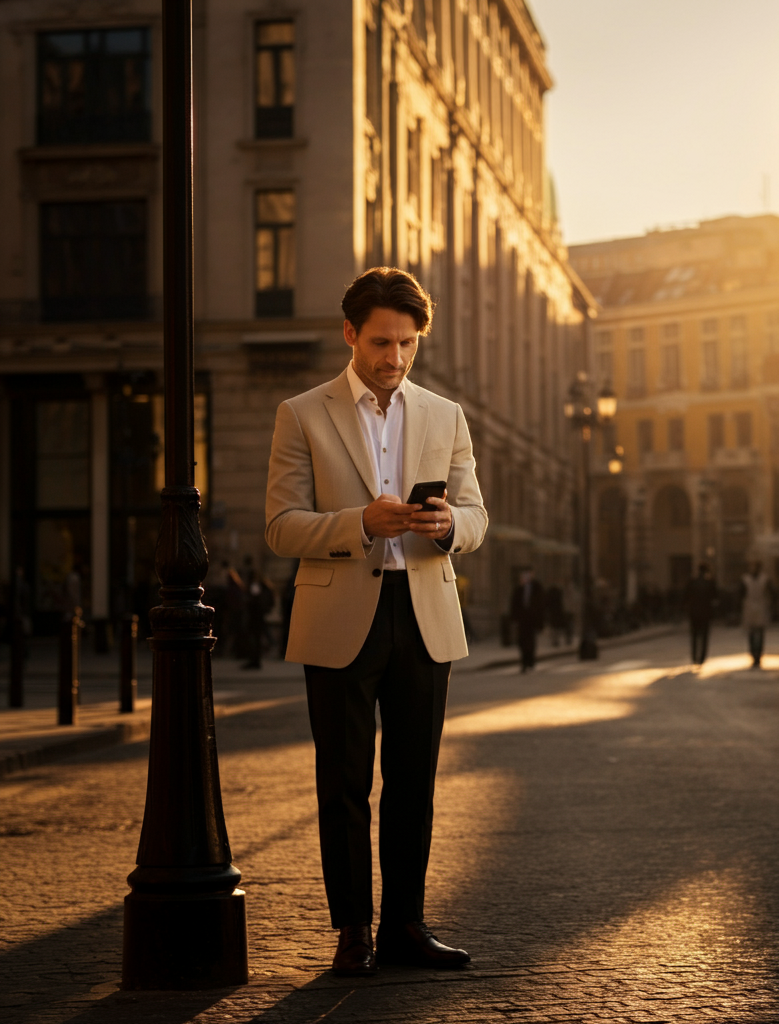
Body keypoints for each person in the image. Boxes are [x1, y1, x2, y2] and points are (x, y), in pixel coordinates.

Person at [265, 267, 488, 976]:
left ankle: (405, 928)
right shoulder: (301, 413)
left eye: (409, 344)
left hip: (423, 613)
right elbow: (279, 527)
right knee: (343, 784)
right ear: (350, 334)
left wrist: (451, 522)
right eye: (383, 343)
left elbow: (478, 516)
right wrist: (357, 521)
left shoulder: (445, 415)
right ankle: (352, 932)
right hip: (340, 617)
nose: (395, 359)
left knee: (414, 781)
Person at [510, 567, 545, 672]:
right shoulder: (519, 588)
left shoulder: (537, 587)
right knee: (522, 641)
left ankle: (530, 661)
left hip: (533, 619)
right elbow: (514, 604)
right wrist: (514, 618)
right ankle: (524, 662)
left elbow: (541, 604)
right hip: (522, 619)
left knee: (531, 641)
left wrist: (540, 621)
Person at [738, 562, 771, 668]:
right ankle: (753, 654)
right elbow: (740, 594)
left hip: (761, 606)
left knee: (760, 632)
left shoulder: (764, 579)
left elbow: (771, 592)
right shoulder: (745, 579)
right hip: (749, 607)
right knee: (752, 632)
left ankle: (758, 655)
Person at [683, 563, 717, 666]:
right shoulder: (710, 583)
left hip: (694, 613)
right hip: (706, 613)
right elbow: (715, 598)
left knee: (694, 636)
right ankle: (702, 657)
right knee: (704, 637)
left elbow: (686, 597)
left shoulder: (692, 582)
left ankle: (694, 657)